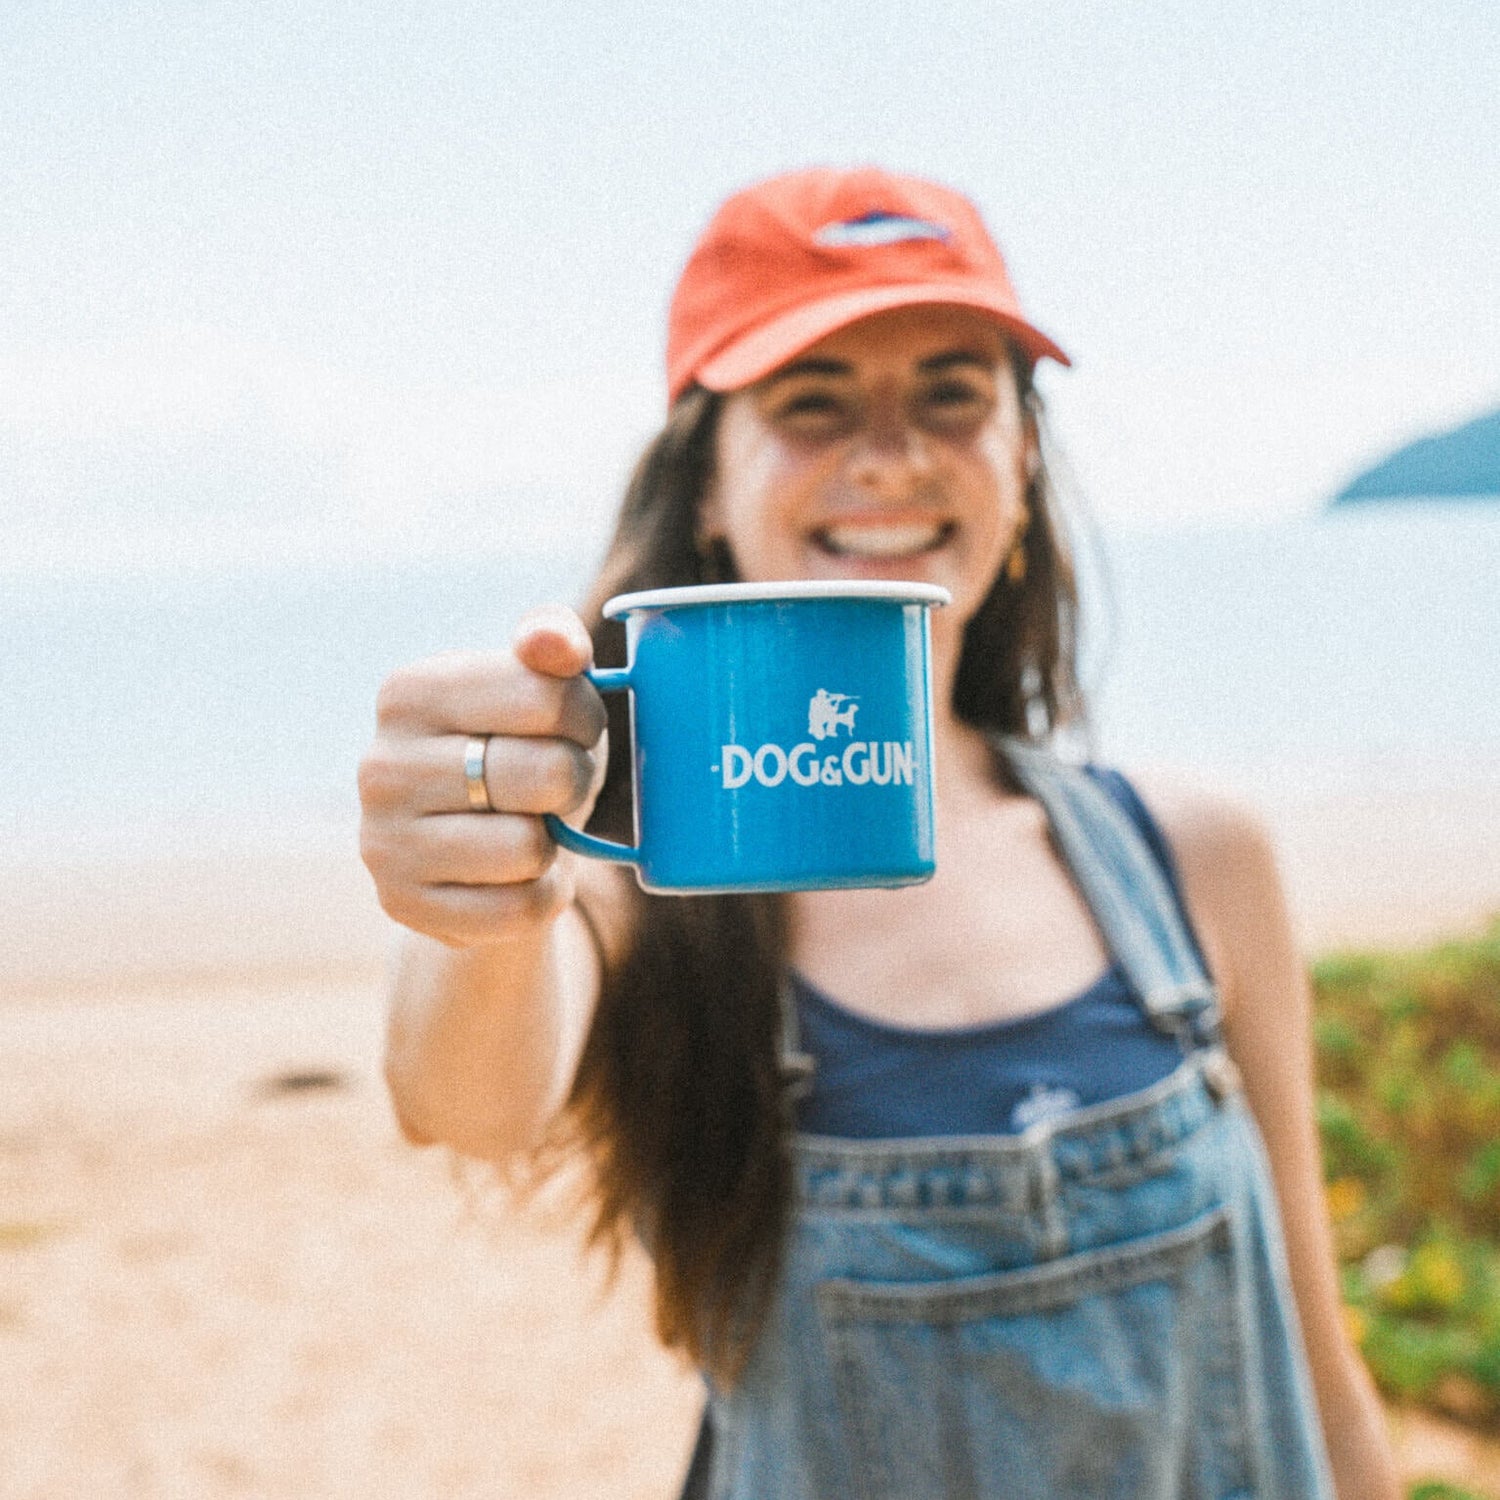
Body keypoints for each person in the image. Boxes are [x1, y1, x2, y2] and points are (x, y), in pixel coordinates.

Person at [359, 166, 1402, 1498]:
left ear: (1023, 462)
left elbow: (1315, 1358)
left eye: (952, 395)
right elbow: (463, 1104)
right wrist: (479, 898)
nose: (893, 452)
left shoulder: (1196, 857)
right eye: (814, 403)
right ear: (710, 493)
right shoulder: (640, 876)